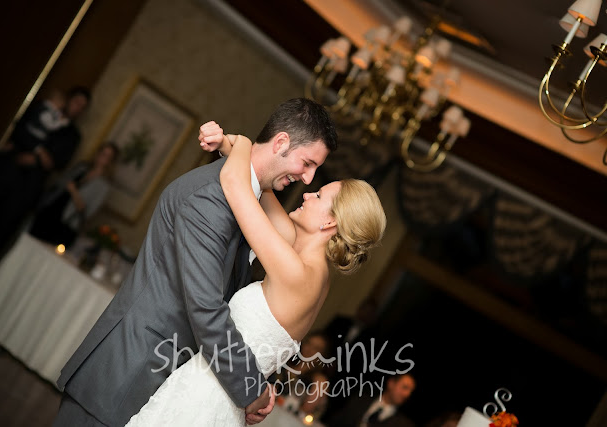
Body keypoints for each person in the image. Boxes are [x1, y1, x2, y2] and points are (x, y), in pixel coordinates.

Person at [53, 98, 337, 427]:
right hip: (126, 377)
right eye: (307, 163)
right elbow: (206, 308)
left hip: (163, 382)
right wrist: (251, 389)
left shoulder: (250, 203)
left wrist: (237, 145)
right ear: (281, 142)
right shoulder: (211, 198)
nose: (308, 179)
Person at [125, 130, 386, 426]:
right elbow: (260, 184)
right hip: (219, 395)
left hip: (204, 400)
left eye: (318, 196)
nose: (307, 193)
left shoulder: (297, 273)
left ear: (330, 221)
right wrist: (228, 145)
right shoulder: (311, 269)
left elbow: (236, 185)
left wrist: (244, 143)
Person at [0, 85, 90, 288]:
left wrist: (35, 156)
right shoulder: (42, 109)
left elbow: (57, 161)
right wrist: (38, 152)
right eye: (77, 101)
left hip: (25, 190)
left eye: (82, 106)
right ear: (69, 98)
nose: (77, 107)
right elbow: (20, 130)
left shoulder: (72, 135)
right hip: (3, 176)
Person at [29, 142, 119, 247]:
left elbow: (87, 212)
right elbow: (60, 183)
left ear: (111, 161)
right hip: (51, 210)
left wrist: (73, 191)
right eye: (102, 152)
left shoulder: (104, 185)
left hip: (65, 223)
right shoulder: (82, 167)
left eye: (107, 156)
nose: (102, 157)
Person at [325, 373, 417, 427]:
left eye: (411, 391)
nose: (407, 394)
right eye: (404, 387)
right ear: (391, 383)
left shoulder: (403, 424)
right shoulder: (360, 399)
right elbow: (335, 421)